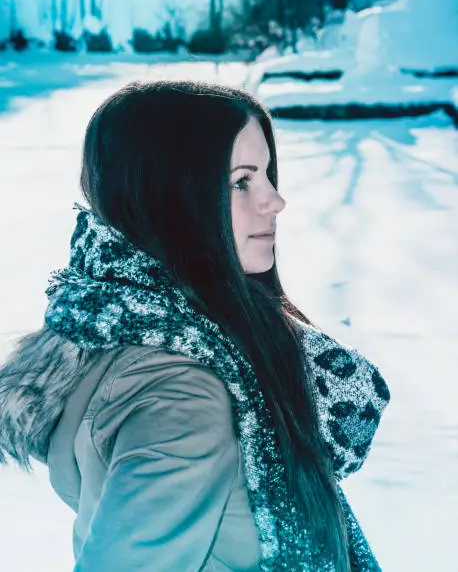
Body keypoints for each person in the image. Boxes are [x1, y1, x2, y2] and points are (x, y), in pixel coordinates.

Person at [0, 80, 390, 571]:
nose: (274, 201)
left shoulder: (115, 331)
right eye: (241, 181)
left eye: (267, 175)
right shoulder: (184, 396)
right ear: (169, 198)